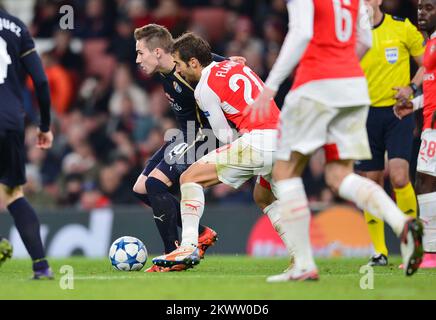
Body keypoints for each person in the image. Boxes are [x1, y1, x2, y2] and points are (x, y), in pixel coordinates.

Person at [247, 0, 423, 281]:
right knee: (339, 176)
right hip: (352, 86)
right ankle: (402, 223)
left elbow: (302, 32)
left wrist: (272, 85)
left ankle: (304, 264)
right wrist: (341, 67)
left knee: (285, 171)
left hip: (315, 83)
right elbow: (365, 39)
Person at [152, 33, 296, 271]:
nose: (177, 71)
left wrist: (242, 163)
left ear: (194, 62)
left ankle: (188, 245)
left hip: (257, 141)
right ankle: (299, 256)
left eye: (178, 64)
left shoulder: (204, 88)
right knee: (265, 197)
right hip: (281, 138)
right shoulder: (233, 65)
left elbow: (224, 136)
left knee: (189, 178)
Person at [355, 0, 425, 267]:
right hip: (365, 115)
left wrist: (411, 88)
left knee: (398, 177)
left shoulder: (401, 27)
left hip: (398, 114)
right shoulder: (353, 35)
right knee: (371, 184)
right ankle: (379, 251)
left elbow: (427, 63)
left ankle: (411, 245)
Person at [0, 8, 54, 279]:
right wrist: (44, 125)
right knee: (13, 194)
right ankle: (42, 266)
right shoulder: (17, 27)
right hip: (11, 120)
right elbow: (42, 82)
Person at [394, 0, 436, 269]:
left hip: (434, 124)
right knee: (425, 181)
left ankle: (430, 253)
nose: (422, 13)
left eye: (430, 8)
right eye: (420, 8)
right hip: (429, 118)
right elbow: (432, 86)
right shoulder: (430, 42)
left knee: (425, 182)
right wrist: (415, 105)